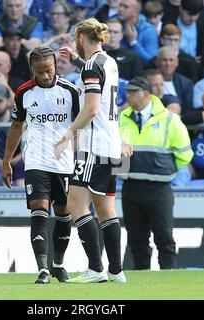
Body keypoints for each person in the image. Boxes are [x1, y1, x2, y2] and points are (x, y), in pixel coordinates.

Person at [55, 18, 133, 283]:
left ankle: (95, 269)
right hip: (112, 145)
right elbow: (96, 77)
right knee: (106, 209)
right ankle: (116, 270)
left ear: (80, 38)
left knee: (75, 204)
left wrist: (68, 135)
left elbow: (91, 109)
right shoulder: (109, 62)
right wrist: (78, 61)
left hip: (93, 147)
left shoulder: (91, 67)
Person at [2, 46, 80, 284]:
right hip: (35, 159)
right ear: (32, 70)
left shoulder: (71, 91)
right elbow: (16, 127)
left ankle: (58, 264)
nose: (45, 76)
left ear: (56, 65)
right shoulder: (24, 92)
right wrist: (6, 161)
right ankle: (42, 269)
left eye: (49, 70)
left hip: (64, 161)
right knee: (39, 207)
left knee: (63, 213)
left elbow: (82, 123)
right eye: (40, 72)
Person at [119, 76, 193, 270]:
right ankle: (142, 276)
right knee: (136, 239)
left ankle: (169, 277)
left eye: (133, 91)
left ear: (146, 94)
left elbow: (185, 154)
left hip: (159, 187)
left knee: (164, 237)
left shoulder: (170, 120)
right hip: (131, 186)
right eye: (128, 91)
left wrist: (166, 171)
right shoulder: (121, 118)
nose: (128, 95)